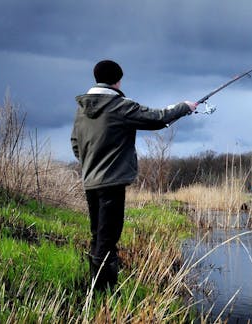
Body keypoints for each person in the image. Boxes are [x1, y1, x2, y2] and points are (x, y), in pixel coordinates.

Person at [70, 60, 197, 291]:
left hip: (90, 181)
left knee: (98, 235)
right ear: (117, 80)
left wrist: (90, 163)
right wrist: (185, 106)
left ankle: (96, 288)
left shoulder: (82, 109)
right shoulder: (119, 105)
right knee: (108, 239)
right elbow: (158, 117)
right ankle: (102, 292)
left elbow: (75, 144)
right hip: (112, 183)